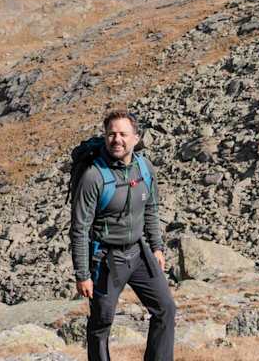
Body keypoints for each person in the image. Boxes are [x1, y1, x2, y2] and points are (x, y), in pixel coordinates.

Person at [69, 110, 175, 361]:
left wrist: (157, 247)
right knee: (101, 322)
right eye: (111, 134)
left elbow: (151, 208)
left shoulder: (144, 168)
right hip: (107, 259)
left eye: (123, 134)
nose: (117, 139)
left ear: (136, 138)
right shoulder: (93, 176)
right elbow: (79, 229)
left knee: (166, 309)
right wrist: (83, 275)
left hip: (139, 252)